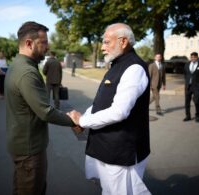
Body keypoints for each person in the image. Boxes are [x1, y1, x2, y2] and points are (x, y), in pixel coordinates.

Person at [68, 23, 151, 195]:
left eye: (107, 42)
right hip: (107, 147)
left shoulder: (134, 68)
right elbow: (102, 102)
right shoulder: (117, 64)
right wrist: (83, 117)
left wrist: (82, 120)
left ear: (123, 41)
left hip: (121, 150)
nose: (103, 47)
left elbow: (118, 112)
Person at [5, 21, 76, 195]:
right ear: (29, 43)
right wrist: (73, 121)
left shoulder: (18, 65)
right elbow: (45, 111)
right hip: (29, 150)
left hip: (22, 143)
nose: (48, 46)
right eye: (43, 42)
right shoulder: (27, 73)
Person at [183, 52, 199, 122]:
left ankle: (197, 116)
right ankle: (188, 116)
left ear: (197, 57)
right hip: (188, 86)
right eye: (192, 57)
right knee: (187, 102)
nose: (193, 58)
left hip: (197, 86)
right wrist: (187, 82)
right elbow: (185, 74)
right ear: (190, 58)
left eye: (194, 57)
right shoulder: (187, 64)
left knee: (197, 101)